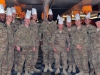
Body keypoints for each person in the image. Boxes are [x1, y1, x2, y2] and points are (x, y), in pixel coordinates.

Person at [29, 8, 40, 73]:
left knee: (35, 56)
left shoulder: (36, 24)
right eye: (34, 15)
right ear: (31, 16)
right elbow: (31, 36)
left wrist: (38, 41)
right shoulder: (30, 24)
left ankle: (33, 66)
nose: (35, 17)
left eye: (36, 15)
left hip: (36, 42)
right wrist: (33, 45)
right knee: (31, 55)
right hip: (31, 43)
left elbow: (37, 34)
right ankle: (29, 67)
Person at [11, 7, 21, 72]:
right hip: (10, 42)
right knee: (10, 55)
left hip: (17, 41)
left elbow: (19, 32)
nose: (14, 15)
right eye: (13, 14)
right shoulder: (8, 22)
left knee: (17, 54)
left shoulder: (18, 22)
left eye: (15, 14)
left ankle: (16, 66)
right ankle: (10, 66)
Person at [5, 7, 15, 75]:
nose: (11, 18)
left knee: (11, 62)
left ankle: (9, 72)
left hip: (11, 48)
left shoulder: (11, 27)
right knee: (4, 63)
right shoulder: (3, 27)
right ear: (6, 17)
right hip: (5, 49)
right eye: (9, 17)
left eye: (11, 17)